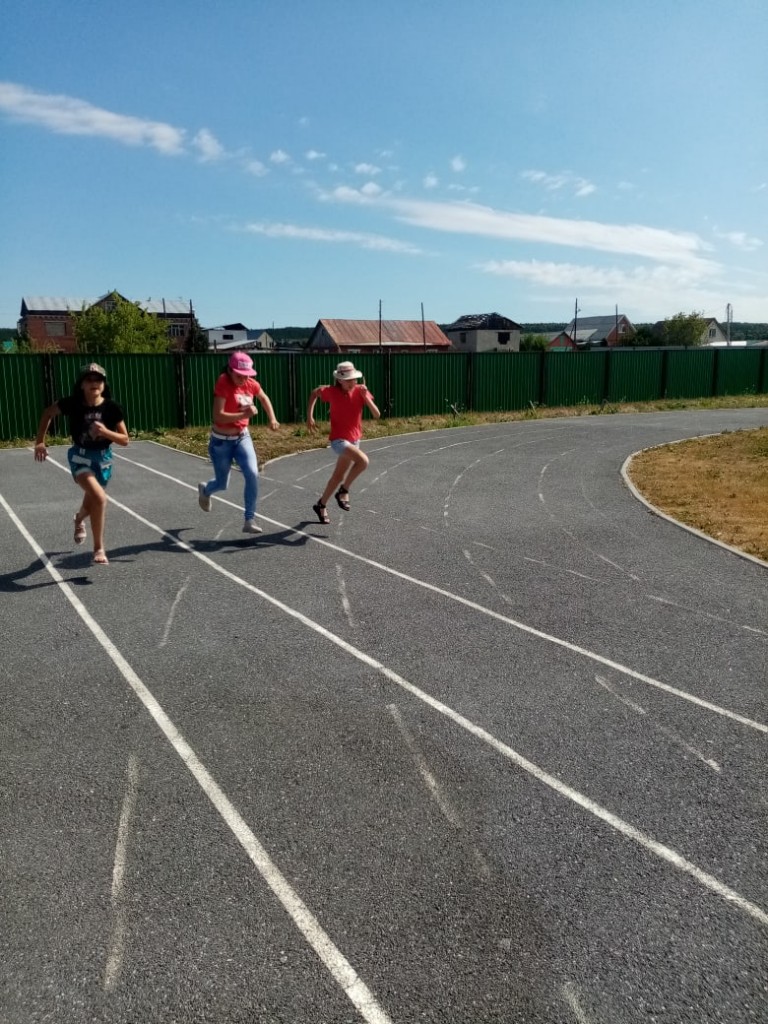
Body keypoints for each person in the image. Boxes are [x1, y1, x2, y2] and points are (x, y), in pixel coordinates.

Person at [33, 361, 129, 565]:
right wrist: (40, 441)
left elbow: (125, 440)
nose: (94, 383)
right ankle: (99, 549)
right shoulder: (73, 403)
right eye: (89, 379)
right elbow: (48, 413)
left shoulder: (112, 408)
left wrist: (105, 432)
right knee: (100, 498)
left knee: (92, 502)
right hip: (80, 457)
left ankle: (78, 519)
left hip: (103, 459)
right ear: (82, 384)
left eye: (98, 379)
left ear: (104, 384)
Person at [197, 350, 280, 534]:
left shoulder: (251, 384)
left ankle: (249, 519)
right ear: (230, 371)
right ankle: (206, 490)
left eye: (247, 375)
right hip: (221, 442)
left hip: (242, 437)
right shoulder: (223, 382)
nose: (243, 379)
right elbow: (218, 416)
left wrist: (272, 418)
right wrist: (244, 414)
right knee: (222, 484)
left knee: (252, 473)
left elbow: (264, 397)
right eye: (239, 375)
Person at [306, 360, 381, 524]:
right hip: (338, 440)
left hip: (354, 440)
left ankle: (321, 505)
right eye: (348, 380)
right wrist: (309, 416)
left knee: (338, 476)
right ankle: (343, 491)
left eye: (354, 379)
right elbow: (314, 393)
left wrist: (365, 397)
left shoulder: (361, 391)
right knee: (363, 461)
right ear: (340, 380)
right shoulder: (331, 391)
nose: (352, 382)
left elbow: (377, 415)